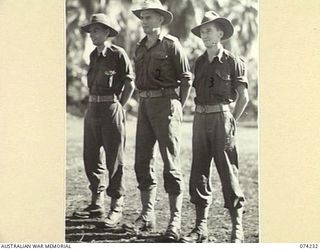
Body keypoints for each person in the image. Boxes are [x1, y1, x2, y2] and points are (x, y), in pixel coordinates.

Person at [126, 0, 192, 241]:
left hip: (166, 106)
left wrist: (176, 107)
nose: (144, 21)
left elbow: (186, 79)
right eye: (142, 17)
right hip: (144, 106)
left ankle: (174, 220)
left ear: (161, 20)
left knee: (170, 163)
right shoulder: (140, 46)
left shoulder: (172, 45)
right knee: (142, 160)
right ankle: (147, 214)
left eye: (149, 17)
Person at [181, 11, 249, 243]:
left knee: (228, 172)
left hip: (222, 119)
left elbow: (243, 98)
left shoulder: (233, 61)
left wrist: (231, 121)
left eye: (209, 30)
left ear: (220, 33)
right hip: (200, 121)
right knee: (198, 171)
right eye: (202, 31)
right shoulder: (199, 62)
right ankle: (200, 227)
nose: (205, 35)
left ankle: (236, 228)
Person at [73, 13, 135, 229]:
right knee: (90, 156)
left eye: (97, 30)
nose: (92, 34)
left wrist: (120, 106)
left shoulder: (118, 54)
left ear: (107, 32)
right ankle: (96, 203)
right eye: (91, 30)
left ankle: (116, 206)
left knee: (114, 159)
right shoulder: (93, 55)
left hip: (111, 108)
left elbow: (130, 84)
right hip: (93, 109)